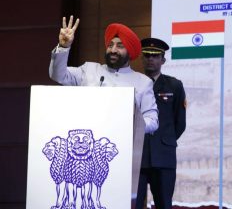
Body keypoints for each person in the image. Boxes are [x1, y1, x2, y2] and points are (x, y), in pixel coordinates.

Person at [49, 16, 158, 133]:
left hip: (123, 143)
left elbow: (152, 121)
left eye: (120, 46)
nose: (113, 50)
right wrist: (63, 47)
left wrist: (129, 124)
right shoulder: (89, 69)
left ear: (130, 52)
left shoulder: (143, 82)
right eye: (110, 45)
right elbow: (58, 75)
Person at [135, 38, 186, 209]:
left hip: (164, 157)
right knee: (133, 204)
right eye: (147, 55)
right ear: (141, 58)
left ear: (163, 60)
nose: (150, 59)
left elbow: (179, 123)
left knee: (164, 204)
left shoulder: (174, 85)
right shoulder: (133, 84)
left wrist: (164, 139)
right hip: (137, 156)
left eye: (155, 56)